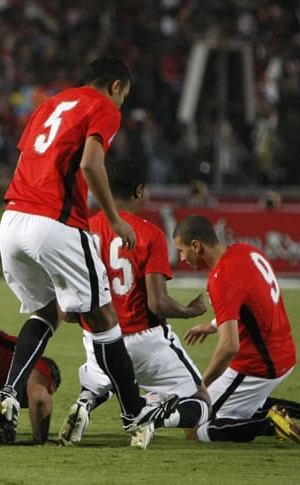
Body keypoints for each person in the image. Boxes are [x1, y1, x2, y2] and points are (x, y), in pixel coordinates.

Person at [0, 56, 179, 444]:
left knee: (46, 313)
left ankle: (8, 393)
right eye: (124, 96)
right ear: (115, 87)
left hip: (11, 220)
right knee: (106, 321)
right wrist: (114, 218)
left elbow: (26, 160)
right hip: (54, 222)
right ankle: (132, 413)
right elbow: (92, 163)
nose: (121, 104)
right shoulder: (103, 107)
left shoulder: (48, 105)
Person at [58, 160, 210, 448]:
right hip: (145, 340)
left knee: (102, 375)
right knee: (201, 400)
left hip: (99, 338)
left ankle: (84, 402)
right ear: (139, 190)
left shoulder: (84, 231)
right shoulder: (150, 234)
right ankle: (154, 413)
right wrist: (190, 310)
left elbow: (68, 308)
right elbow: (157, 304)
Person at [173, 214, 300, 444]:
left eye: (181, 250)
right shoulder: (247, 251)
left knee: (195, 425)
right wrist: (212, 325)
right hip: (285, 354)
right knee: (241, 404)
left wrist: (202, 385)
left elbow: (229, 347)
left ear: (196, 246)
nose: (181, 258)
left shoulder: (221, 277)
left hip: (257, 365)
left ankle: (270, 424)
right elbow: (254, 303)